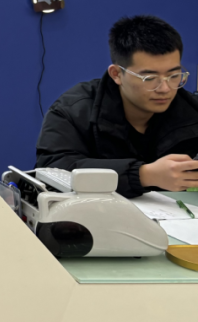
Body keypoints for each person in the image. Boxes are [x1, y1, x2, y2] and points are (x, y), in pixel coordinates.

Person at [36, 14, 198, 198]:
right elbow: (51, 171)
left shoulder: (192, 110)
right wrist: (142, 175)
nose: (165, 88)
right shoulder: (73, 111)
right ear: (117, 74)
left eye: (174, 75)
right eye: (149, 78)